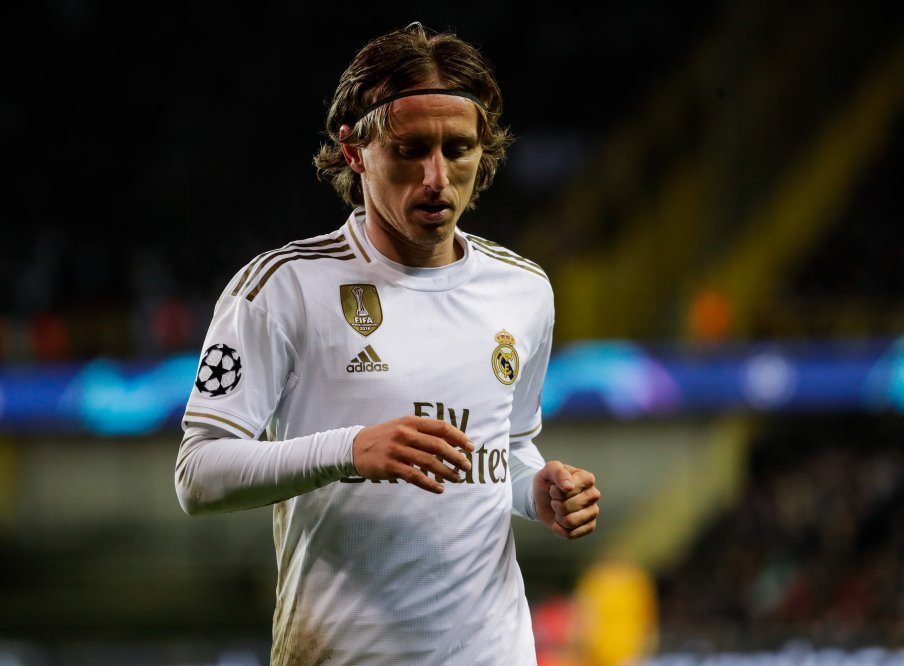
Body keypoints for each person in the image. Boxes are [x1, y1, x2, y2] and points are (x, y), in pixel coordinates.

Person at [175, 22, 601, 666]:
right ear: (355, 150)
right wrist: (349, 450)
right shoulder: (281, 288)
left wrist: (536, 490)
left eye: (458, 149)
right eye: (411, 150)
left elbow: (506, 449)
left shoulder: (524, 290)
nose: (437, 176)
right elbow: (198, 474)